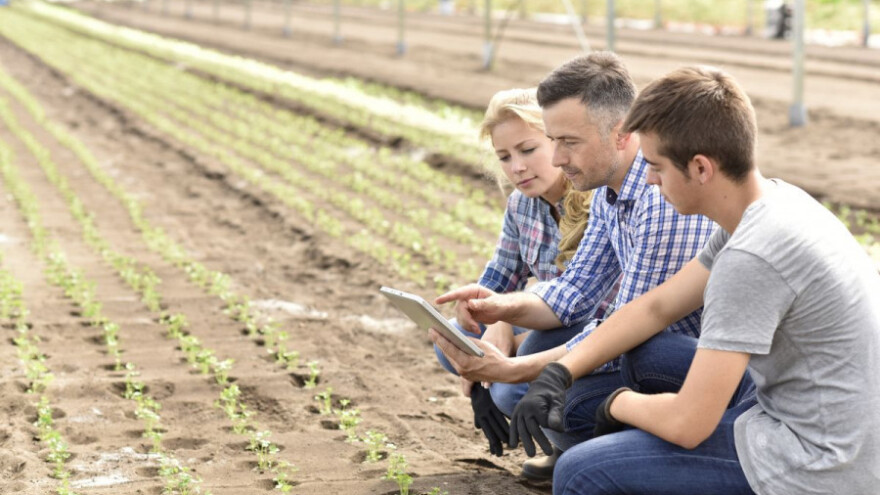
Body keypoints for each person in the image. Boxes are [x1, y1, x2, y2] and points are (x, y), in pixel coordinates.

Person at [510, 65, 880, 495]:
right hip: (826, 413)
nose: (648, 178)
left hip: (823, 461)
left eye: (657, 166)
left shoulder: (752, 257)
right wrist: (560, 370)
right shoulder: (771, 204)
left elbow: (687, 425)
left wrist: (617, 405)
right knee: (645, 355)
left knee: (581, 470)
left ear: (701, 168)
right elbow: (657, 306)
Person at [431, 52, 717, 478]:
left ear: (620, 134)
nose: (558, 158)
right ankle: (612, 446)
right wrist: (500, 309)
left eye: (567, 142)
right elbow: (575, 290)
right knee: (510, 375)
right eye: (554, 140)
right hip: (640, 349)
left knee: (558, 401)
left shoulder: (660, 199)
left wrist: (520, 370)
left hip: (684, 361)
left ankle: (645, 456)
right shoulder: (608, 192)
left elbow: (629, 327)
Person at [432, 87, 604, 460]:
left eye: (528, 150)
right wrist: (486, 323)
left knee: (509, 387)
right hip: (546, 317)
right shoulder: (521, 206)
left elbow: (582, 301)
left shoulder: (596, 200)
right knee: (451, 340)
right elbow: (496, 280)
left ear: (558, 143)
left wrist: (505, 329)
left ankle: (573, 450)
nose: (517, 167)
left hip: (594, 331)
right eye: (505, 157)